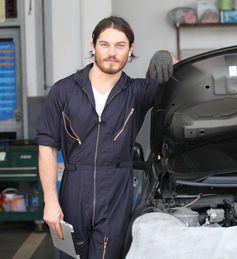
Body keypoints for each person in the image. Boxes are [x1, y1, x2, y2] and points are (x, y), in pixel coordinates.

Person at [36, 16, 178, 259]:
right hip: (73, 189)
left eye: (120, 45)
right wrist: (50, 201)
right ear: (93, 46)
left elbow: (182, 81)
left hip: (117, 191)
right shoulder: (63, 91)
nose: (112, 53)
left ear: (130, 50)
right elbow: (47, 147)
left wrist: (168, 56)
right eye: (105, 44)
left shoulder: (139, 91)